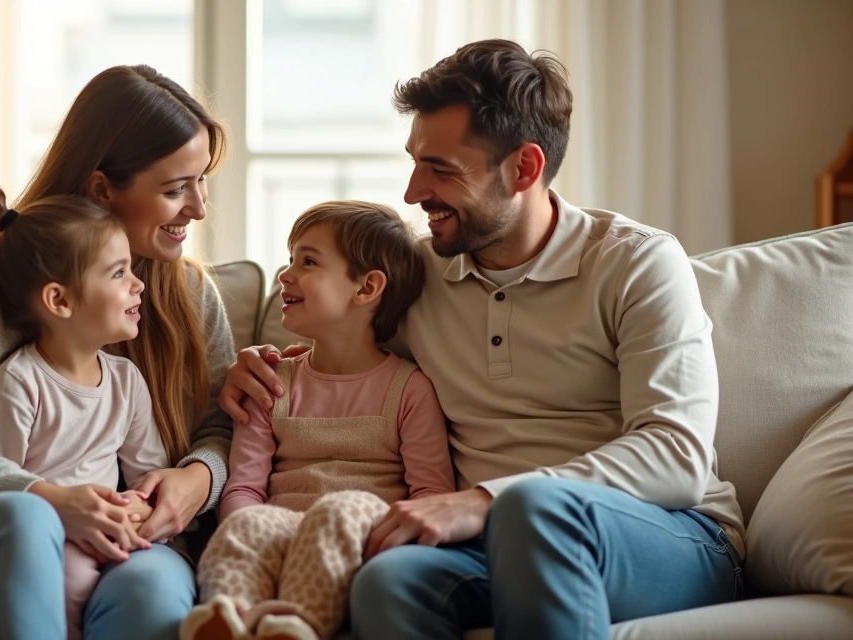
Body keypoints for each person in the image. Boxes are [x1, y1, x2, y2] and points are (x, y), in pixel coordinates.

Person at [219, 40, 745, 640]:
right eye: (415, 161)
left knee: (533, 513)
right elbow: (336, 340)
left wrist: (488, 499)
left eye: (441, 168)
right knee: (387, 583)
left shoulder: (637, 264)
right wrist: (255, 366)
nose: (413, 192)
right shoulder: (417, 277)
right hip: (484, 542)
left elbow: (676, 455)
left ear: (524, 168)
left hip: (666, 536)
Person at [0, 65, 235, 640]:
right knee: (27, 522)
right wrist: (47, 499)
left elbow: (221, 426)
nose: (199, 208)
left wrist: (199, 478)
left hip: (116, 543)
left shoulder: (191, 297)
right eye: (176, 188)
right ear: (103, 188)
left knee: (152, 587)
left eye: (202, 181)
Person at [181, 201, 454, 640]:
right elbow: (246, 486)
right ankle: (230, 617)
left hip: (365, 534)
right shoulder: (270, 383)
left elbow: (431, 495)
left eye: (307, 261)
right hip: (282, 529)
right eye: (290, 259)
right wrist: (251, 525)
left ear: (366, 288)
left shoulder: (410, 389)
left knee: (340, 508)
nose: (286, 274)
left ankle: (297, 625)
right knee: (246, 521)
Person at [0, 191, 168, 639]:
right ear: (59, 300)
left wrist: (137, 506)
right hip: (51, 538)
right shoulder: (17, 384)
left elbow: (147, 473)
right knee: (69, 581)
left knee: (149, 585)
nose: (138, 284)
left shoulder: (126, 379)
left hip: (113, 532)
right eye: (119, 273)